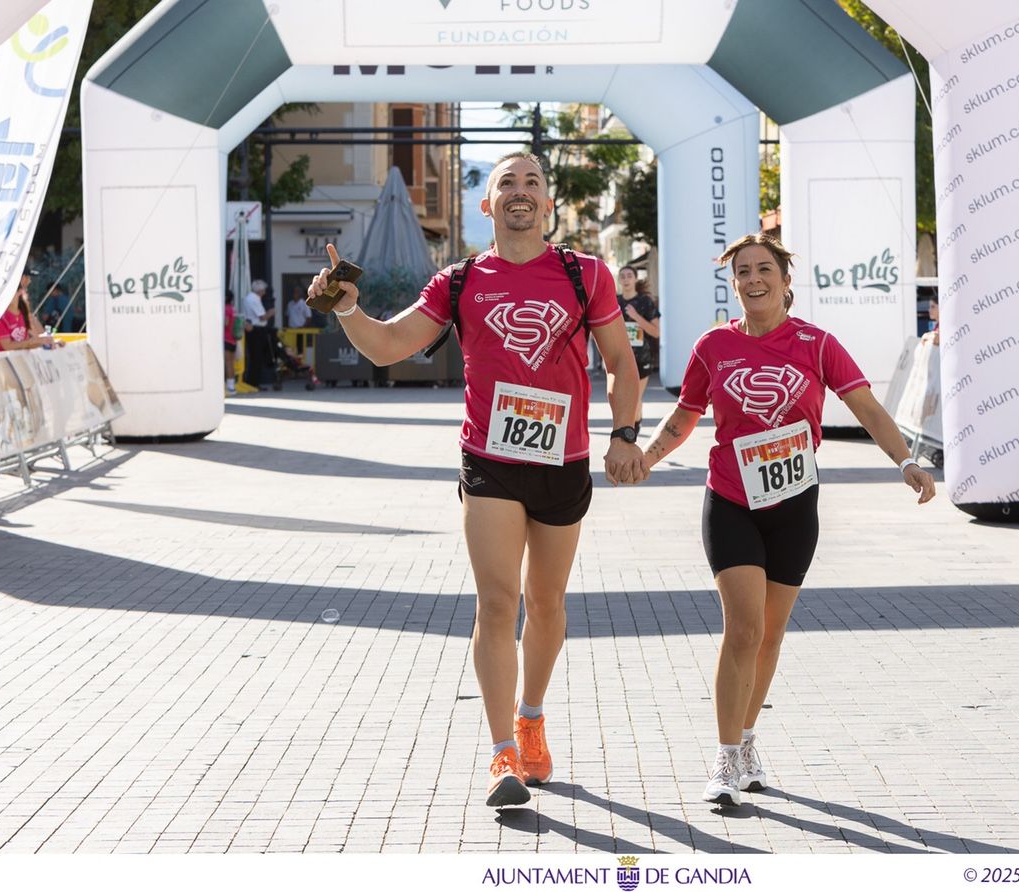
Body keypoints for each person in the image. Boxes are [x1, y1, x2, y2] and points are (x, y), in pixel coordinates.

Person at [307, 151, 647, 808]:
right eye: (507, 184)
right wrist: (348, 307)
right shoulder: (458, 282)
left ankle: (532, 717)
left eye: (533, 184)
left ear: (548, 205)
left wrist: (624, 436)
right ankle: (501, 756)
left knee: (545, 604)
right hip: (489, 459)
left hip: (563, 459)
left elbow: (620, 365)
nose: (521, 193)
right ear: (486, 206)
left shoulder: (587, 275)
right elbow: (386, 346)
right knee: (497, 604)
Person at [639, 233, 935, 807]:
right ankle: (725, 760)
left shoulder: (817, 345)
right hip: (730, 500)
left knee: (771, 635)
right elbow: (684, 415)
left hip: (796, 505)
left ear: (785, 279)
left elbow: (867, 407)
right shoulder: (714, 346)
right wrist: (646, 457)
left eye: (763, 269)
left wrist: (905, 459)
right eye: (743, 271)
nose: (753, 279)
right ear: (734, 283)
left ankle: (747, 740)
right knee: (744, 629)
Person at [617, 266, 660, 433]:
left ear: (635, 279)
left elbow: (656, 332)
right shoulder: (614, 301)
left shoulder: (645, 302)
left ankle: (631, 432)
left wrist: (635, 317)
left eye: (629, 275)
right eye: (623, 276)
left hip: (642, 358)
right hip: (619, 358)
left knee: (634, 398)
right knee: (625, 399)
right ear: (619, 280)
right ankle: (636, 422)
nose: (626, 279)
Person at [0, 273, 60, 352]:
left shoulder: (22, 315)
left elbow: (27, 344)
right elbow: (7, 346)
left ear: (19, 292)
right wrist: (34, 341)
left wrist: (50, 342)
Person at [241, 279, 273, 388]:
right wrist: (271, 312)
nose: (264, 292)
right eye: (263, 290)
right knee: (257, 357)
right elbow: (262, 316)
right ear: (259, 290)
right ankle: (253, 383)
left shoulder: (251, 298)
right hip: (256, 330)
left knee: (255, 357)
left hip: (255, 330)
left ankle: (253, 382)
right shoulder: (253, 299)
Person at [223, 290, 238, 394]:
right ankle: (232, 385)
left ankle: (230, 387)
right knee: (231, 363)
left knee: (227, 363)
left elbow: (226, 323)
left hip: (226, 338)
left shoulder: (226, 309)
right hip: (233, 339)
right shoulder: (233, 309)